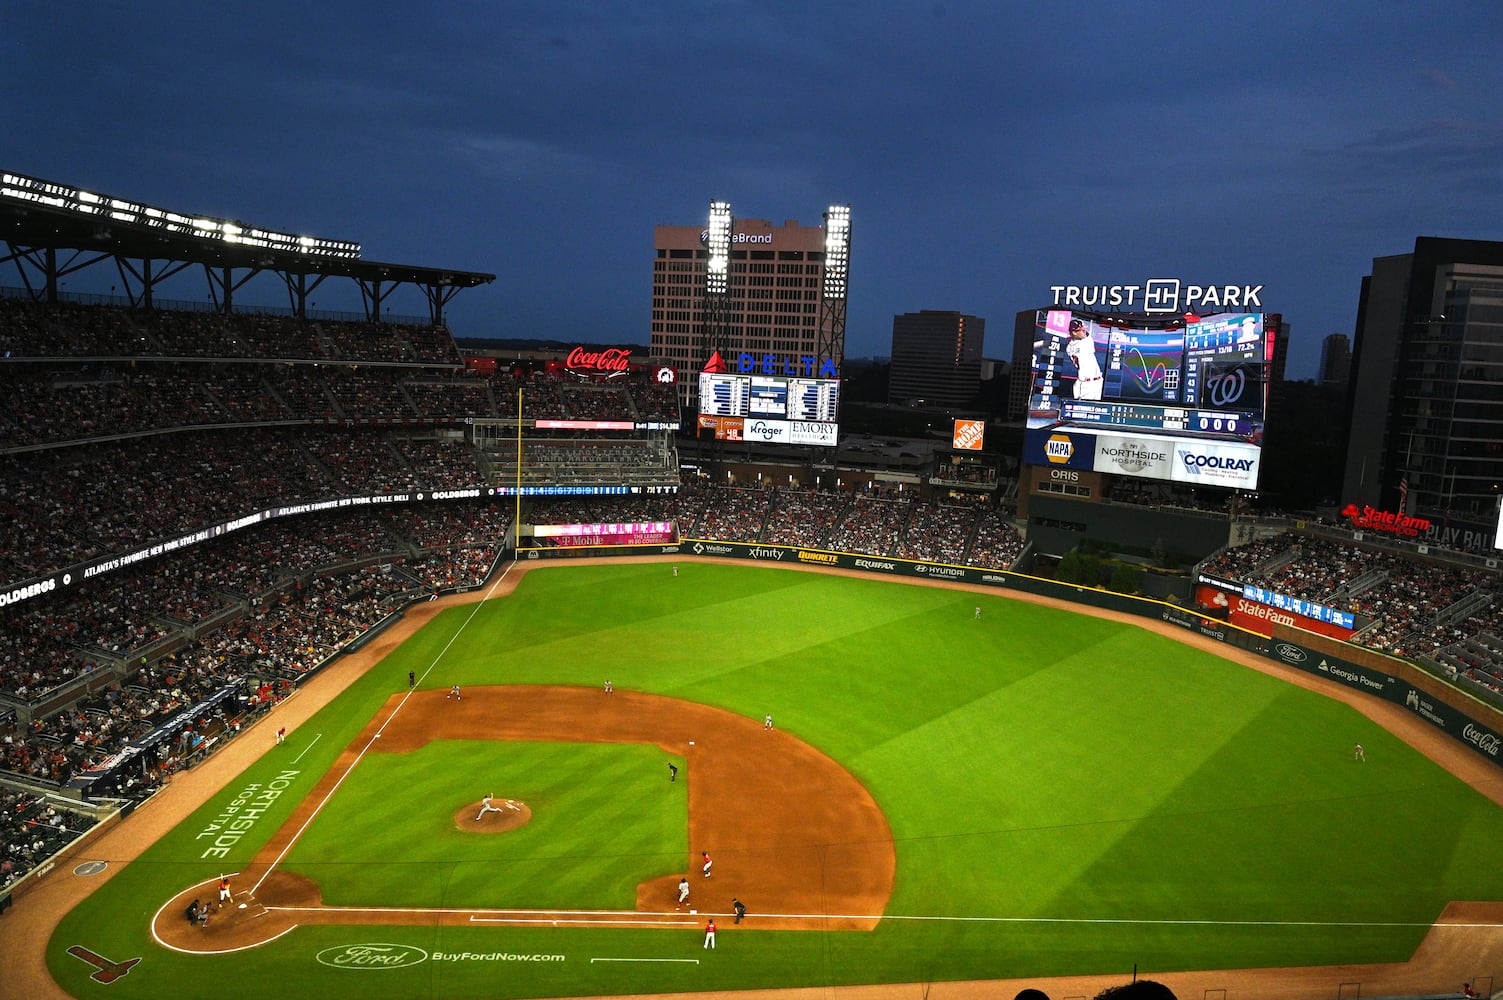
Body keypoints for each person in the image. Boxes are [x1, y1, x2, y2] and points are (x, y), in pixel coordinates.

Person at [1066, 318, 1104, 401]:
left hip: (1095, 382)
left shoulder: (1069, 347)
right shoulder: (1084, 343)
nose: (1084, 331)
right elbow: (1088, 336)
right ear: (1074, 332)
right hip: (1086, 385)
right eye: (1081, 330)